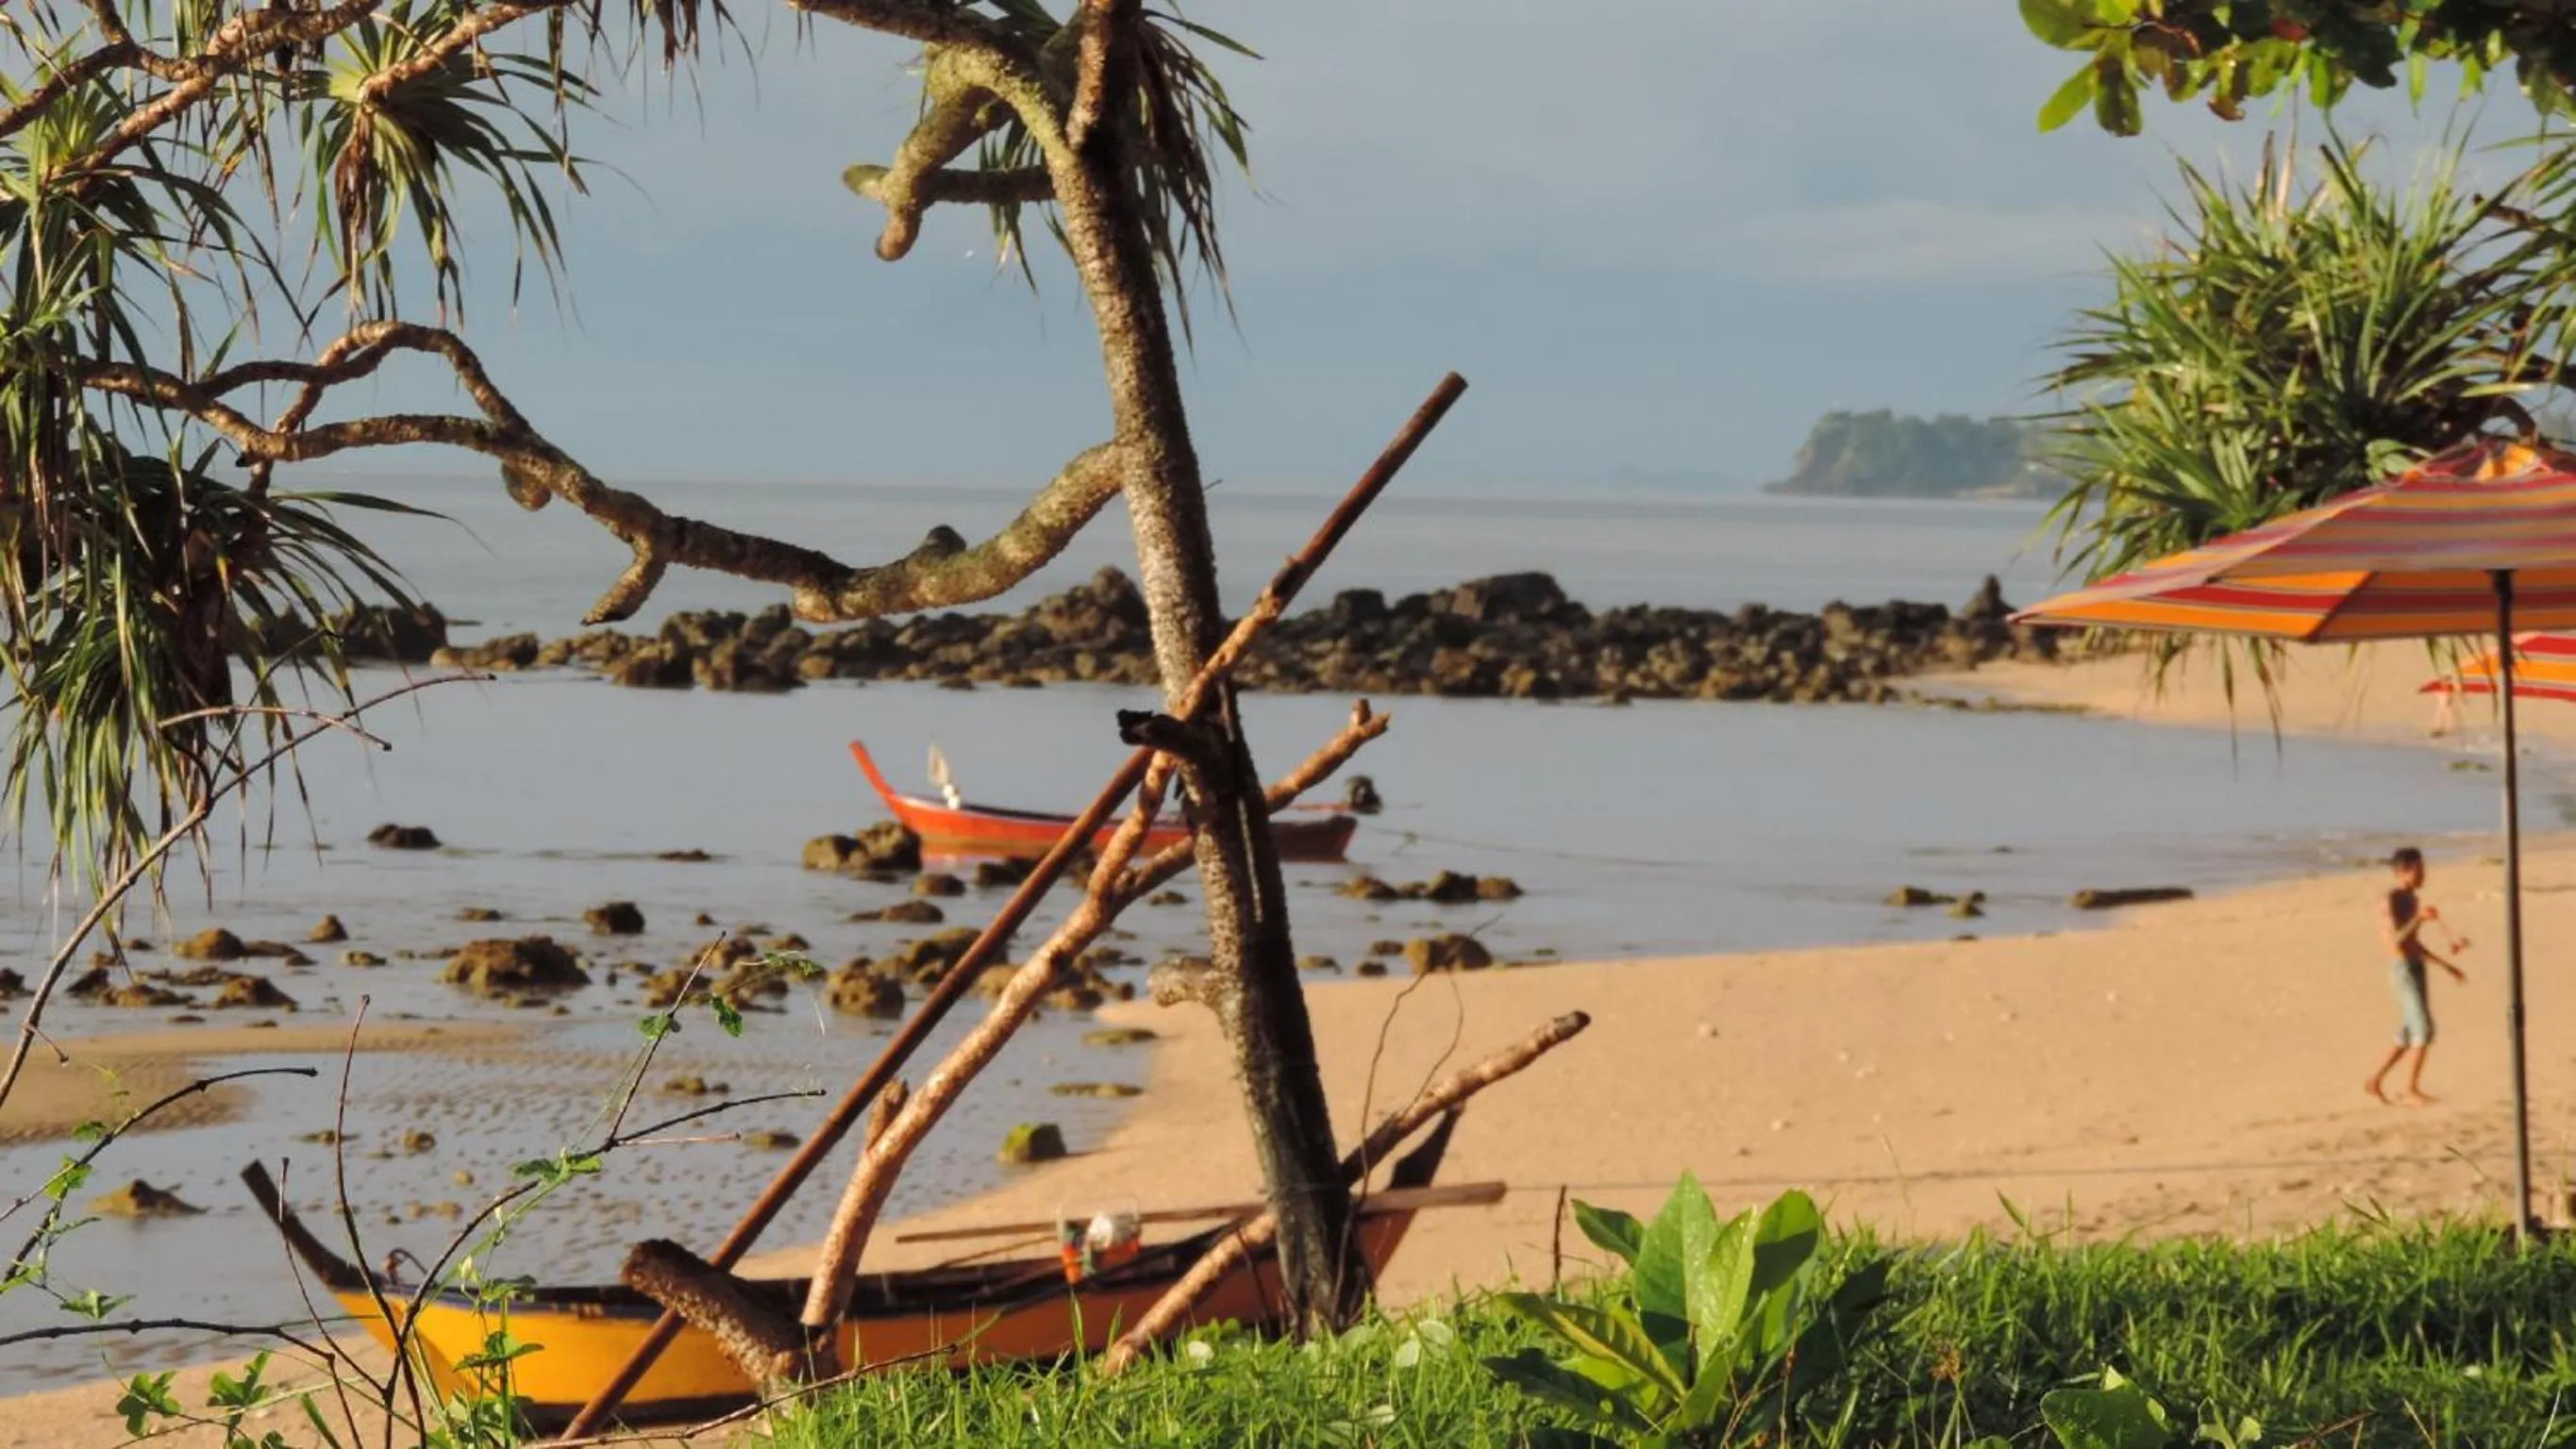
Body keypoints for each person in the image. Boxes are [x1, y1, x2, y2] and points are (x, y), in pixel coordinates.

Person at [2366, 846, 2469, 1106]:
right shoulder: (2391, 899)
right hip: (2402, 970)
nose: (2424, 875)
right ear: (2404, 871)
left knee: (2410, 1029)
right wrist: (2419, 919)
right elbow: (2396, 941)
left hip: (2415, 967)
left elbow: (2415, 944)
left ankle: (2375, 1080)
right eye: (2419, 870)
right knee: (2423, 1028)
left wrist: (2446, 965)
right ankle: (2411, 1089)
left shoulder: (2412, 900)